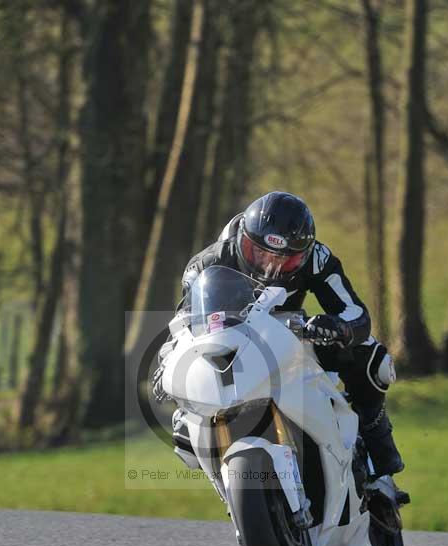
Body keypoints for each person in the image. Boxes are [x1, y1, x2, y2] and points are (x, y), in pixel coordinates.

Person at [154, 191, 403, 478]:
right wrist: (167, 363)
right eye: (258, 253)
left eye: (286, 260)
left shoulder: (317, 258)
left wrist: (337, 327)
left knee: (373, 359)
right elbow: (183, 325)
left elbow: (355, 313)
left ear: (303, 254)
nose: (269, 266)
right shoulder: (208, 262)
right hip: (233, 345)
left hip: (294, 333)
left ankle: (377, 444)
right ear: (243, 240)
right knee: (184, 425)